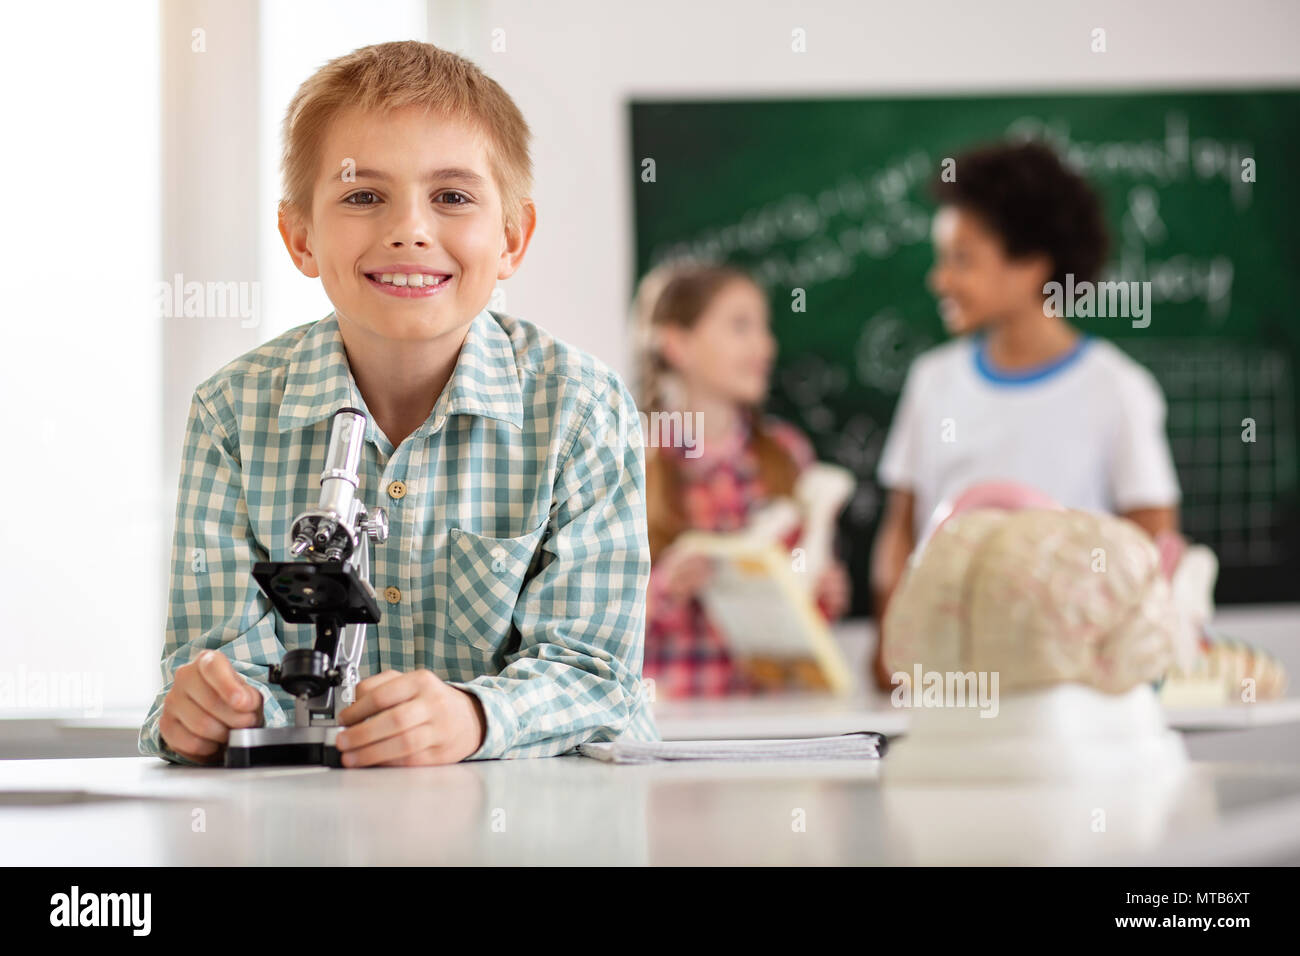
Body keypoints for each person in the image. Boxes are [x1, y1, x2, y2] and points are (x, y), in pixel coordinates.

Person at [140, 41, 656, 766]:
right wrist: (202, 712)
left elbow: (597, 677)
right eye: (362, 195)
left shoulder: (582, 411)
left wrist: (475, 718)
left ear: (511, 237)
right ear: (300, 236)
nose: (409, 229)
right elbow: (218, 664)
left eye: (451, 196)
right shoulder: (231, 414)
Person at [870, 140, 1183, 690]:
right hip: (948, 682)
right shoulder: (932, 382)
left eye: (962, 260)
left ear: (1033, 266)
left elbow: (1150, 542)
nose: (940, 280)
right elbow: (901, 525)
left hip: (1068, 688)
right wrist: (894, 636)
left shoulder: (1117, 389)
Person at [636, 263, 852, 698]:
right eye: (741, 326)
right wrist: (665, 590)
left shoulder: (787, 454)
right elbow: (585, 622)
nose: (766, 346)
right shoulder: (629, 459)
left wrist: (823, 591)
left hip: (770, 719)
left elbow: (802, 606)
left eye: (764, 328)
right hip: (671, 728)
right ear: (677, 344)